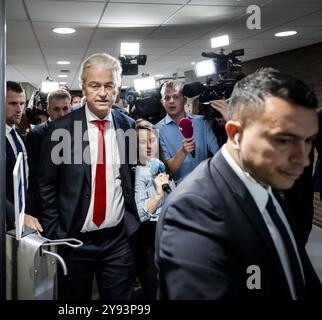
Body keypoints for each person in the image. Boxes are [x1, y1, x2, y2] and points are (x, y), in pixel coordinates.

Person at [156, 68, 322, 299]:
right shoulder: (192, 208)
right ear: (235, 131)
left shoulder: (272, 187)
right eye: (284, 140)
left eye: (307, 142)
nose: (303, 160)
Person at [38, 53, 140, 300]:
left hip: (118, 241)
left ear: (117, 88)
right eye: (95, 86)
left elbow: (128, 179)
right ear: (84, 87)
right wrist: (57, 233)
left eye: (109, 86)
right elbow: (45, 185)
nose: (103, 93)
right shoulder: (61, 129)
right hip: (73, 242)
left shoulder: (127, 125)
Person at [134, 119, 175, 300]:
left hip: (169, 235)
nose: (149, 146)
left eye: (152, 141)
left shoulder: (160, 167)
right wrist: (158, 195)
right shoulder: (137, 172)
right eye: (143, 142)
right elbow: (141, 213)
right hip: (148, 237)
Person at [155, 80, 219, 183]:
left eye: (176, 97)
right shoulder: (156, 131)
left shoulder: (201, 122)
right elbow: (165, 172)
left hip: (206, 184)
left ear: (184, 100)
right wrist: (183, 152)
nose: (171, 101)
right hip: (179, 192)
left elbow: (218, 153)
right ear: (162, 103)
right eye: (167, 98)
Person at [25, 89, 72, 217]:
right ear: (48, 109)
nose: (61, 114)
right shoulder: (37, 135)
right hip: (46, 206)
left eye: (65, 108)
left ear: (70, 108)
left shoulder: (78, 133)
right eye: (56, 109)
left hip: (72, 204)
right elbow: (36, 177)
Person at [4, 81, 42, 233]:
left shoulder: (18, 133)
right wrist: (17, 215)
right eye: (13, 103)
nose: (19, 109)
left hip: (25, 210)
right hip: (6, 219)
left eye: (22, 103)